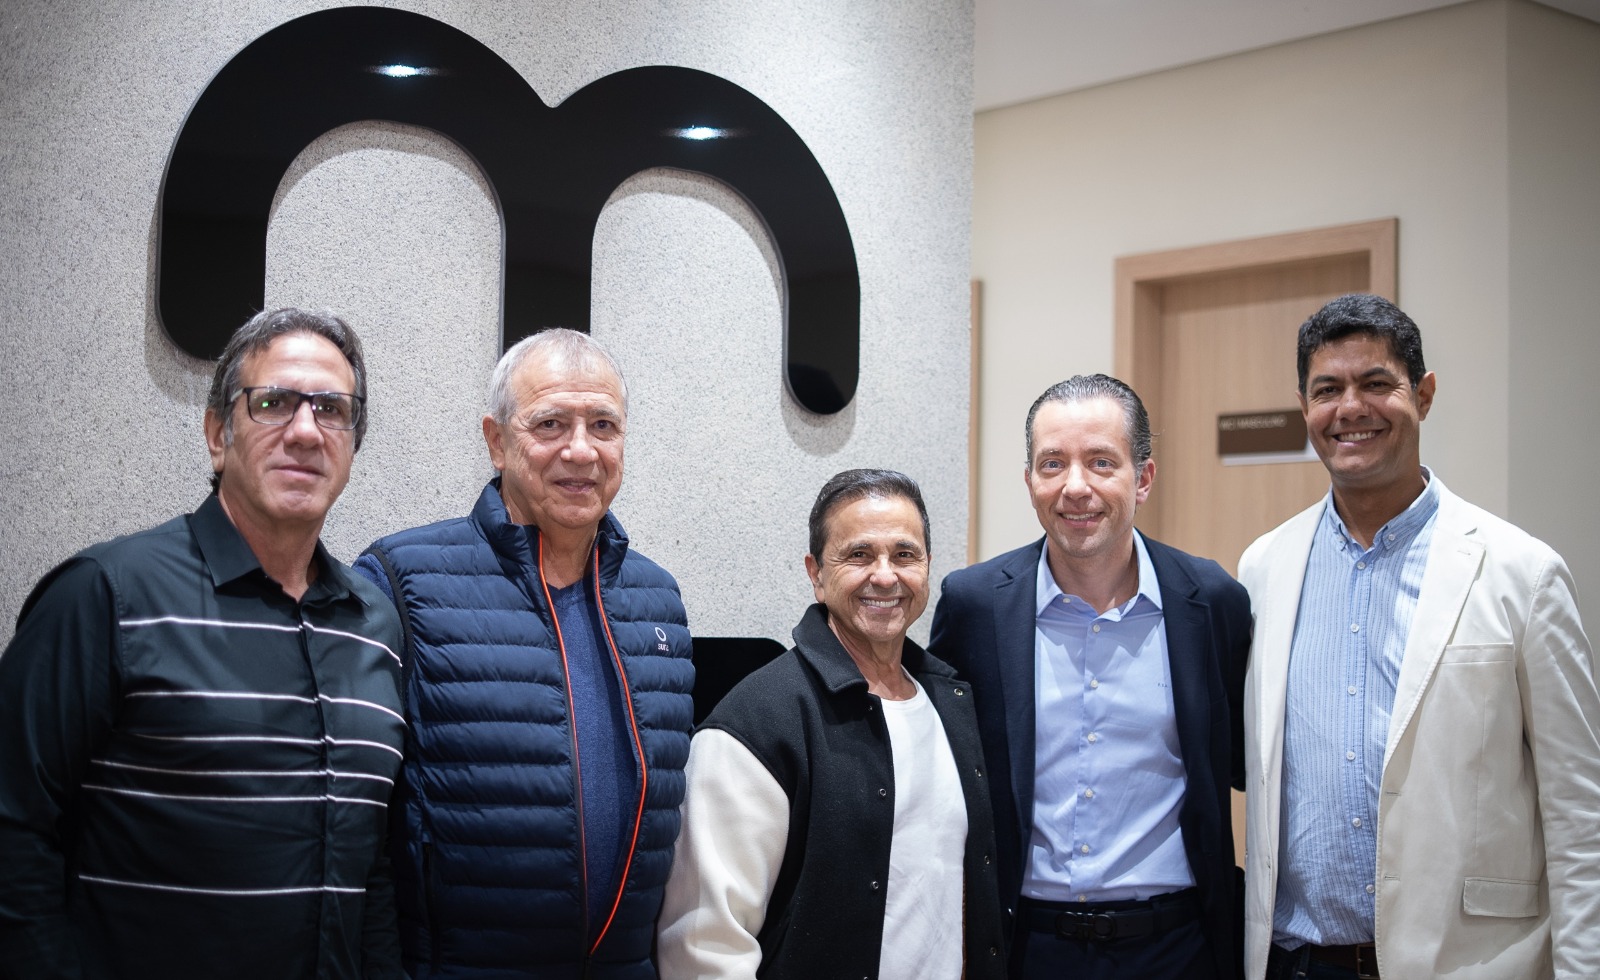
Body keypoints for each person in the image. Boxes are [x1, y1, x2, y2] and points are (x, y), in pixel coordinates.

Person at [0, 308, 405, 978]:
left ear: (352, 447)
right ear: (219, 434)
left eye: (331, 410)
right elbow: (13, 827)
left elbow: (373, 866)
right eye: (273, 403)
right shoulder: (106, 595)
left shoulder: (374, 625)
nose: (306, 431)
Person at [1239, 293, 1600, 980]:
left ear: (1424, 395)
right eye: (1327, 390)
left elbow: (1581, 814)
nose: (1351, 408)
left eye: (1376, 383)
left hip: (1469, 963)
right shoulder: (1264, 568)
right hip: (1297, 962)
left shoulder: (1523, 573)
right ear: (1304, 407)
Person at [355, 328, 693, 978]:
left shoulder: (658, 599)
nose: (581, 450)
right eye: (550, 424)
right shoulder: (402, 582)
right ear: (496, 441)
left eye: (603, 425)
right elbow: (353, 823)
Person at [929, 374, 1251, 980]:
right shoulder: (974, 605)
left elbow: (1242, 763)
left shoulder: (1211, 601)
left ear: (1143, 478)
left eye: (1101, 462)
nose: (1075, 487)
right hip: (1026, 947)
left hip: (1177, 946)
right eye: (1053, 464)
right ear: (1030, 482)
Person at [656, 468, 1007, 979]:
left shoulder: (951, 703)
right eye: (859, 555)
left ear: (928, 567)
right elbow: (706, 947)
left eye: (904, 555)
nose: (884, 576)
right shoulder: (756, 725)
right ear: (816, 574)